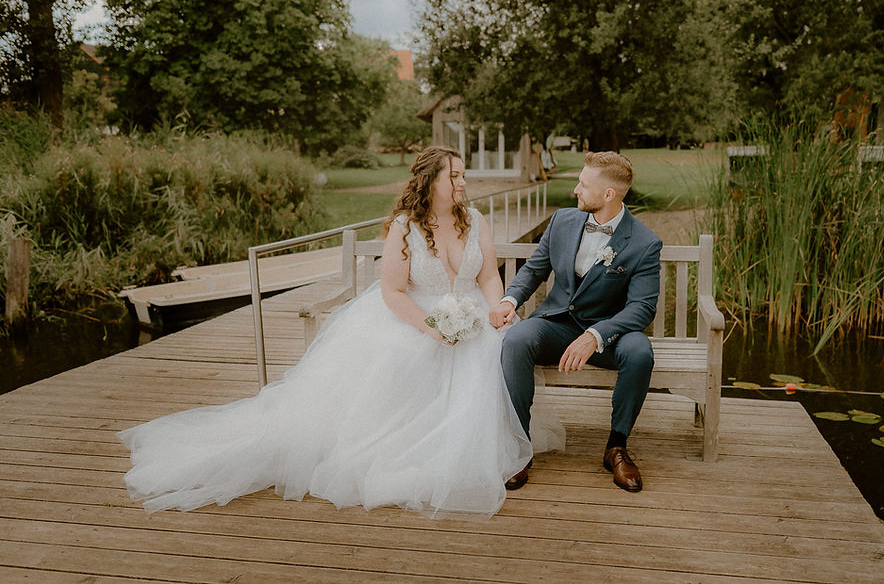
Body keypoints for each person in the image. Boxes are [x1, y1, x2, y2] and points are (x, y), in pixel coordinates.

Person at [119, 146, 561, 517]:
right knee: (406, 359)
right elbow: (392, 290)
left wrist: (495, 310)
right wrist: (430, 326)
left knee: (496, 352)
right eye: (456, 176)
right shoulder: (405, 228)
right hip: (415, 318)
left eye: (464, 176)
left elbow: (486, 276)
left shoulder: (476, 220)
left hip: (472, 319)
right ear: (431, 182)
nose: (464, 183)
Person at [489, 151, 662, 493]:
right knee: (517, 339)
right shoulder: (562, 221)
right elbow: (535, 269)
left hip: (609, 333)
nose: (576, 191)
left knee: (640, 350)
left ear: (608, 194)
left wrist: (596, 335)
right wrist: (510, 300)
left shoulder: (644, 243)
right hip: (557, 325)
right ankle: (519, 449)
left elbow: (642, 308)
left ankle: (616, 447)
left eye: (583, 184)